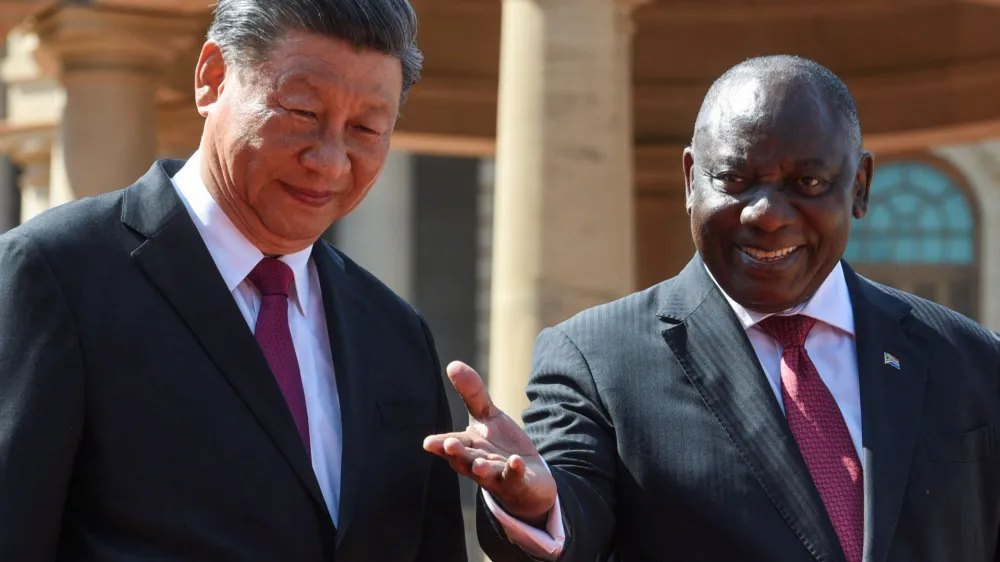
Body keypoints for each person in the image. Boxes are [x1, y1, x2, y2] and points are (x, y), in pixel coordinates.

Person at [424, 55, 1000, 561]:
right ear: (690, 180)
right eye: (735, 180)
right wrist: (537, 505)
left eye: (806, 182)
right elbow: (572, 506)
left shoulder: (967, 359)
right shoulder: (597, 358)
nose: (767, 213)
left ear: (860, 187)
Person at [0, 1, 467, 560]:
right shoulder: (56, 274)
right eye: (301, 111)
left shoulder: (397, 335)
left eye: (366, 128)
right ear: (212, 79)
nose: (330, 160)